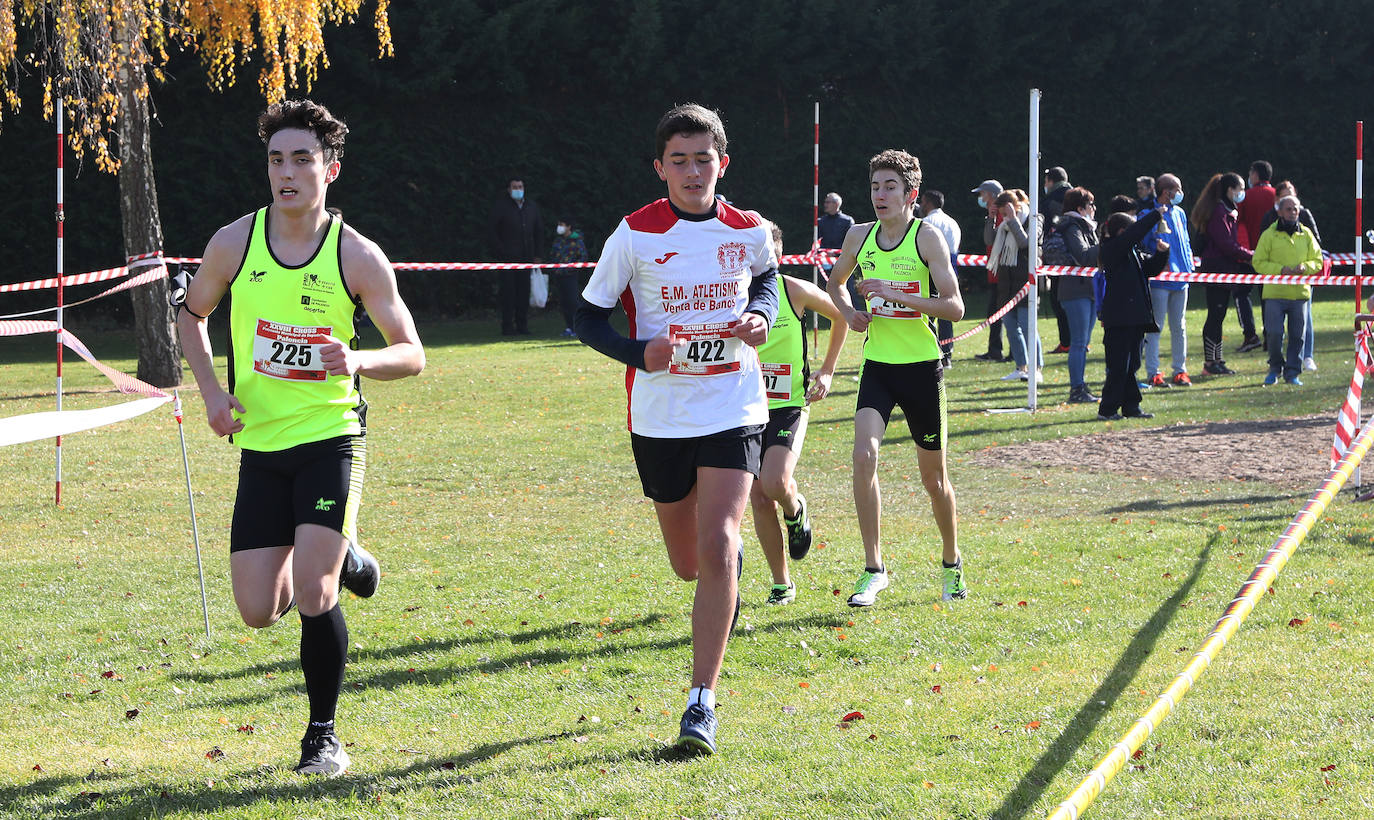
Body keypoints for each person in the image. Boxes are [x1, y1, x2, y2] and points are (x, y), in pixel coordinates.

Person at [176, 99, 426, 776]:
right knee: (258, 611)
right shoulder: (234, 242)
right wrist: (211, 393)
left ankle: (322, 735)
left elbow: (412, 352)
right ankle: (342, 551)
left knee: (314, 593)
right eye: (276, 159)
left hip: (330, 436)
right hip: (261, 444)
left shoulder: (357, 256)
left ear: (330, 169)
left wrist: (362, 360)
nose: (286, 172)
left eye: (302, 159)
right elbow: (190, 316)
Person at [573, 103, 778, 755]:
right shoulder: (633, 236)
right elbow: (587, 318)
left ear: (724, 162)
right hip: (660, 416)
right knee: (689, 565)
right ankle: (726, 566)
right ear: (660, 167)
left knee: (718, 541)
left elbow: (769, 283)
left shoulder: (749, 229)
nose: (693, 171)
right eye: (679, 160)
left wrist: (761, 319)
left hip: (734, 405)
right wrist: (642, 354)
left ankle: (700, 705)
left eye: (704, 159)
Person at [826, 148, 967, 608]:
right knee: (864, 457)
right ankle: (874, 568)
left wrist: (898, 297)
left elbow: (955, 307)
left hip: (923, 369)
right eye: (874, 186)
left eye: (890, 187)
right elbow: (835, 283)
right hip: (879, 368)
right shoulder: (858, 235)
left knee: (934, 480)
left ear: (912, 194)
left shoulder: (927, 239)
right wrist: (850, 312)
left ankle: (951, 563)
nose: (880, 195)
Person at [749, 222, 848, 606]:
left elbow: (840, 316)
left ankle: (795, 508)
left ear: (779, 254)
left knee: (775, 482)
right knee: (758, 497)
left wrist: (827, 371)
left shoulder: (795, 290)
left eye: (769, 256)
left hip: (789, 403)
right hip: (744, 406)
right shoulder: (731, 292)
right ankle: (781, 582)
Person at [1097, 208, 1171, 420]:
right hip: (1119, 319)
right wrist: (1155, 215)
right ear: (1122, 232)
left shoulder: (1132, 253)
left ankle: (1131, 407)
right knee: (1118, 367)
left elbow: (1151, 270)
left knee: (1132, 366)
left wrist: (1161, 253)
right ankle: (1108, 409)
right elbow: (1134, 233)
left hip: (1135, 318)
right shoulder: (1112, 249)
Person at [1253, 195, 1322, 386]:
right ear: (1280, 212)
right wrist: (1279, 270)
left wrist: (1304, 267)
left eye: (1296, 209)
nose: (1293, 212)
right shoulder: (1269, 234)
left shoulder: (1306, 234)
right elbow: (1258, 262)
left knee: (1297, 336)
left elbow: (1318, 261)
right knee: (1274, 333)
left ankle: (1292, 372)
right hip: (1274, 294)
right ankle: (1275, 368)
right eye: (1289, 209)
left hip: (1299, 295)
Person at [1190, 172, 1253, 376]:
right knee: (1215, 316)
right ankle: (1210, 362)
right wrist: (1249, 255)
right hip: (1217, 269)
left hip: (1225, 269)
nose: (1242, 193)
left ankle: (1217, 359)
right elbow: (1226, 243)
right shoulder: (1219, 212)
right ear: (1229, 190)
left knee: (1219, 316)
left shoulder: (1227, 210)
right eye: (1240, 188)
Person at [1139, 173, 1194, 387]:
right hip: (1159, 281)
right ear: (1166, 192)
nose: (1180, 193)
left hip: (1182, 279)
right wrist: (1155, 261)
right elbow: (1141, 244)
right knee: (1155, 327)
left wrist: (1189, 264)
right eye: (1177, 189)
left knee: (1179, 326)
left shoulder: (1180, 213)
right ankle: (1153, 372)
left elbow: (1185, 241)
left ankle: (1180, 370)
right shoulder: (1148, 214)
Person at [989, 189, 1042, 382]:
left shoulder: (1034, 219)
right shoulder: (1003, 225)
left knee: (1028, 327)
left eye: (1005, 212)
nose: (1003, 217)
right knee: (1011, 327)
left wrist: (1012, 220)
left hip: (1026, 284)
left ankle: (1036, 369)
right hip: (1006, 285)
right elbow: (989, 240)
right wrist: (991, 219)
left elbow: (1026, 244)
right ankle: (1021, 367)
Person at [1055, 187, 1101, 403]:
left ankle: (1080, 385)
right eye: (1091, 205)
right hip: (1074, 290)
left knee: (1084, 342)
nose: (1094, 209)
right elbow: (1083, 256)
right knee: (1079, 342)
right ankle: (1076, 388)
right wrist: (1106, 244)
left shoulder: (1084, 226)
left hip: (1087, 289)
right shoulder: (1072, 226)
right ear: (1081, 207)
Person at [489, 177, 544, 336]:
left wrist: (538, 255)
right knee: (508, 294)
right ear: (509, 189)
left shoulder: (531, 207)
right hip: (507, 260)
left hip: (527, 259)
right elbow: (492, 232)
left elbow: (538, 231)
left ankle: (522, 325)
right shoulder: (501, 207)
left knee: (523, 293)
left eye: (520, 186)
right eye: (515, 187)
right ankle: (507, 326)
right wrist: (501, 251)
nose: (518, 189)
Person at [1234, 160, 1277, 353]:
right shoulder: (1277, 196)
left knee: (1241, 293)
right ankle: (1271, 336)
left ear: (1256, 175)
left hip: (1249, 253)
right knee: (1268, 296)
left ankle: (1250, 335)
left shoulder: (1246, 197)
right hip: (1273, 256)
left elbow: (1237, 221)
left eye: (1250, 174)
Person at [918, 189, 961, 366]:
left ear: (928, 203)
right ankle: (947, 353)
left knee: (926, 315)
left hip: (929, 272)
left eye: (922, 202)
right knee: (946, 315)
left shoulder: (926, 223)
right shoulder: (953, 223)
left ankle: (927, 351)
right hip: (952, 270)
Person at [972, 179, 1007, 362]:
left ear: (991, 195)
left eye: (982, 194)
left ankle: (997, 350)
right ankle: (995, 349)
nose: (981, 198)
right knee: (994, 313)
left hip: (1002, 272)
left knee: (999, 314)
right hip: (995, 272)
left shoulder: (1003, 214)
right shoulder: (993, 214)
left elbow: (991, 241)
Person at [1041, 166, 1072, 354]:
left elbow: (1044, 229)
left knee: (1058, 301)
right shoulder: (1078, 196)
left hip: (1056, 258)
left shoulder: (1049, 201)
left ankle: (1066, 342)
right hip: (1078, 258)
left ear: (1051, 181)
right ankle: (1079, 341)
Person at [549, 216, 589, 337]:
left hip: (570, 276)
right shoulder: (558, 241)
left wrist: (571, 268)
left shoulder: (577, 241)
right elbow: (553, 255)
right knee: (564, 303)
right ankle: (569, 327)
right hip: (559, 275)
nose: (559, 227)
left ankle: (579, 327)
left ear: (568, 227)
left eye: (562, 224)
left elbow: (583, 257)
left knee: (573, 302)